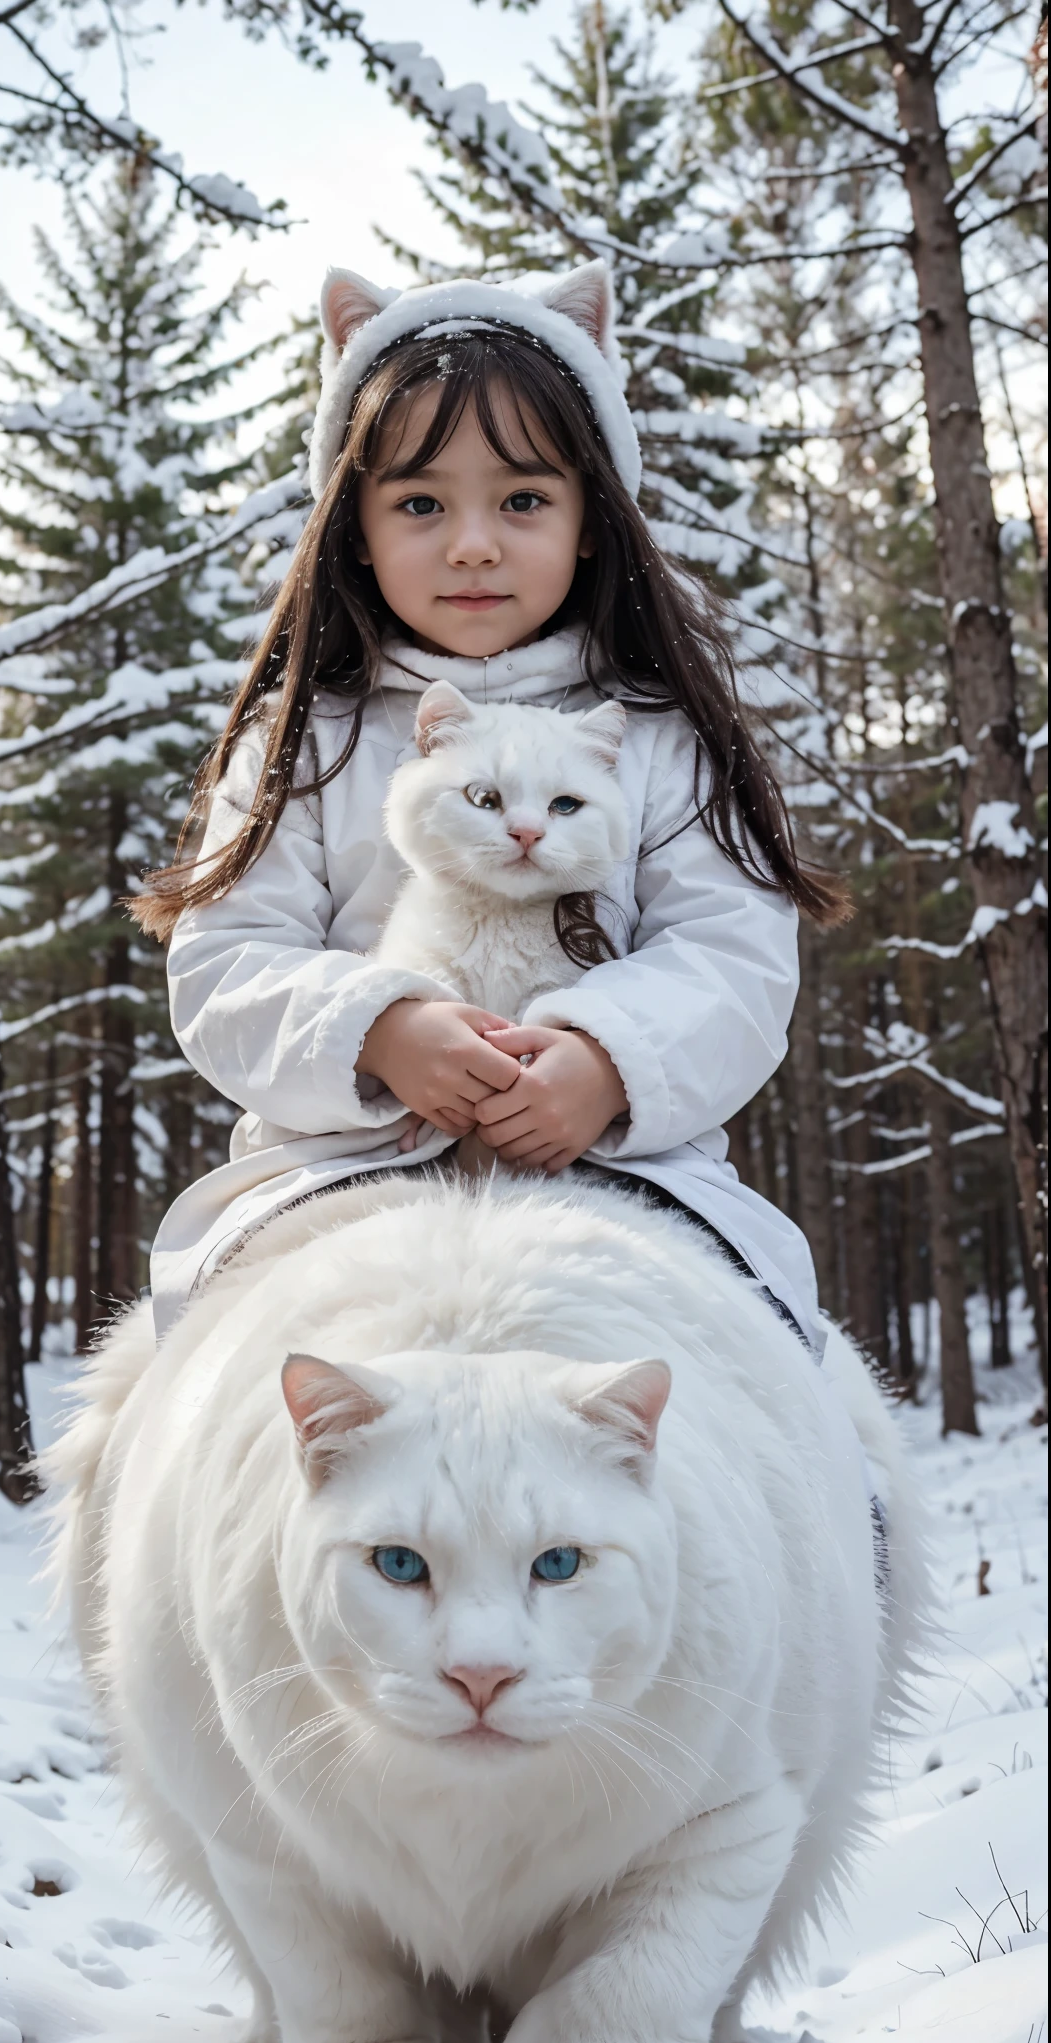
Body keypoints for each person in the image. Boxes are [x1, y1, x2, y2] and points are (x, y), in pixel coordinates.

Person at [133, 263, 848, 1349]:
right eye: (421, 502)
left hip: (622, 1172)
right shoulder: (306, 737)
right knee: (168, 1409)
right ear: (357, 527)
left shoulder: (655, 733)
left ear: (592, 519)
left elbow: (732, 958)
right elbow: (226, 958)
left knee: (784, 1391)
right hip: (340, 1173)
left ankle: (854, 1521)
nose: (472, 543)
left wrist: (607, 1063)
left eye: (521, 499)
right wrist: (381, 1032)